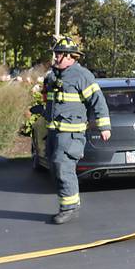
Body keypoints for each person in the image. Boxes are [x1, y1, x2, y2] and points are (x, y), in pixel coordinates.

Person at [41, 35, 112, 224]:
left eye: (58, 54)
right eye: (55, 54)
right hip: (55, 132)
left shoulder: (82, 76)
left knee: (63, 167)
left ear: (70, 56)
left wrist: (104, 126)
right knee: (55, 167)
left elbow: (98, 102)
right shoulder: (54, 75)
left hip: (71, 134)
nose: (55, 57)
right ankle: (71, 201)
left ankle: (68, 207)